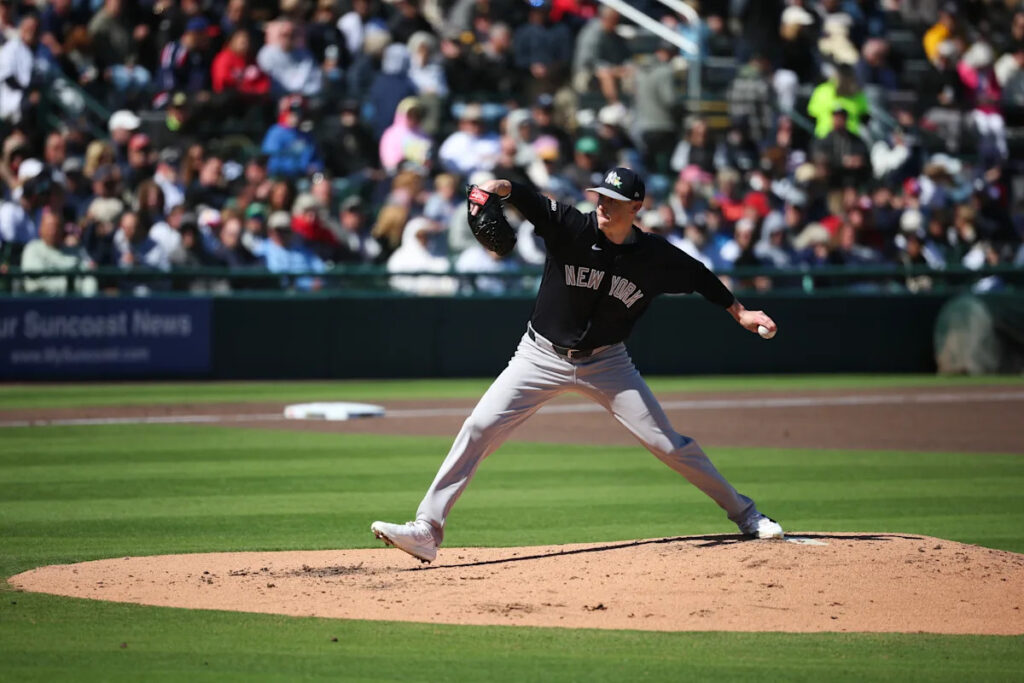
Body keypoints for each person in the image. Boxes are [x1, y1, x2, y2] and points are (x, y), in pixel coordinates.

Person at [371, 166, 784, 563]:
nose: (603, 204)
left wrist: (741, 312)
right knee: (477, 427)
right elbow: (528, 199)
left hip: (608, 363)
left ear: (636, 206)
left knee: (669, 445)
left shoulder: (654, 256)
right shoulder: (570, 226)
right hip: (538, 356)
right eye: (601, 196)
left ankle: (746, 514)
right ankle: (427, 529)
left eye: (614, 200)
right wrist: (498, 186)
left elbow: (699, 276)